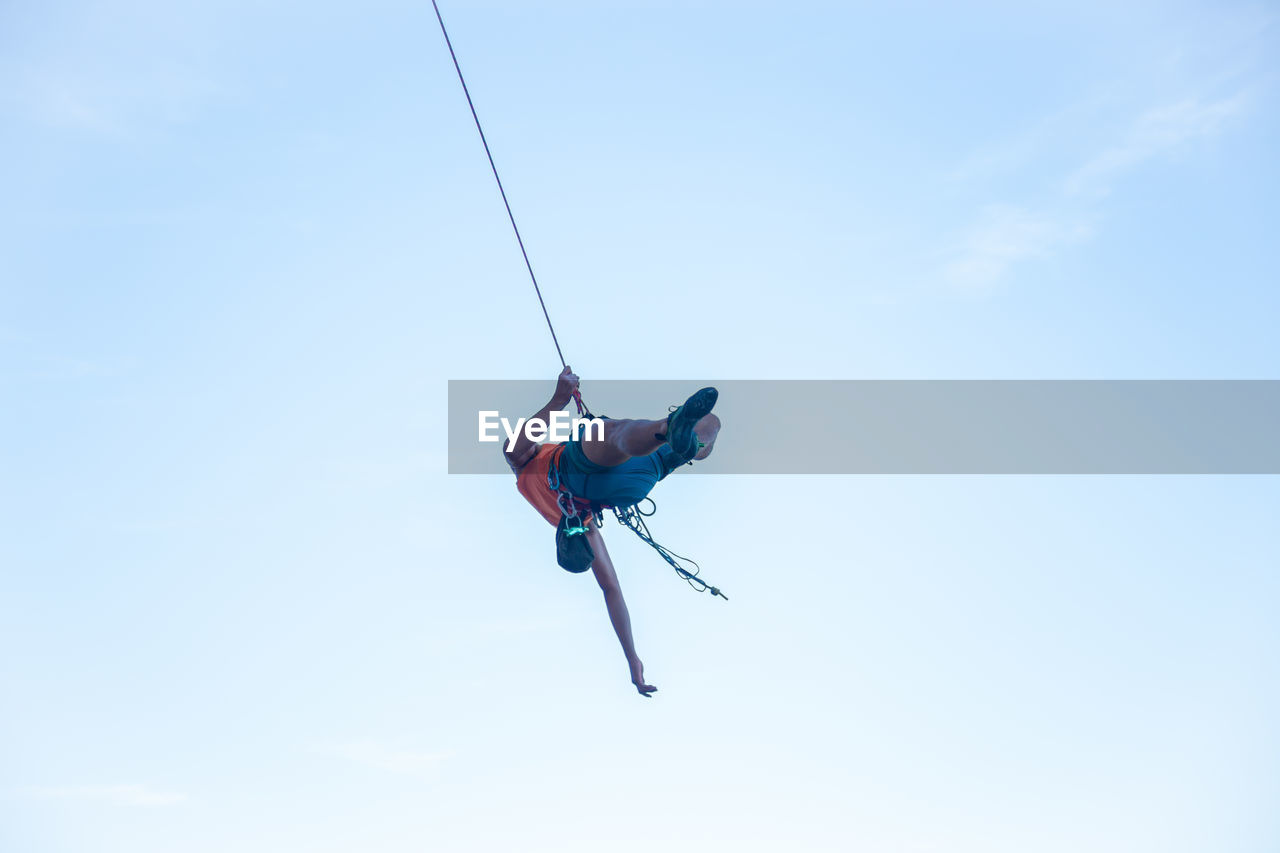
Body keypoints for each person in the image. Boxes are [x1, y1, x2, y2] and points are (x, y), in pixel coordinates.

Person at [504, 366, 720, 697]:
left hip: (627, 488)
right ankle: (670, 429)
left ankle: (683, 442)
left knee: (708, 425)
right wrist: (559, 399)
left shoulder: (588, 527)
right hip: (576, 471)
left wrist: (632, 659)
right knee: (618, 433)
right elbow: (514, 447)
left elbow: (612, 592)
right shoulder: (531, 481)